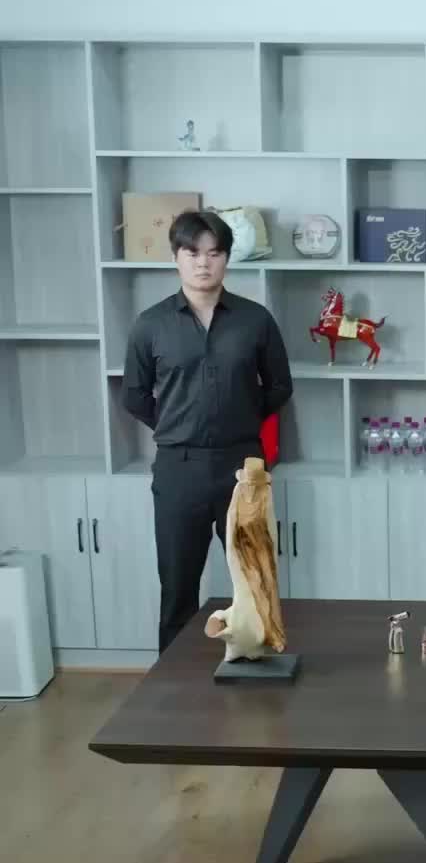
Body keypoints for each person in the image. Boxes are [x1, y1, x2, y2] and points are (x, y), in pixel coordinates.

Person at [121, 209, 293, 653]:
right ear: (176, 258)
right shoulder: (150, 324)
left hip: (243, 465)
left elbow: (280, 386)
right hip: (179, 469)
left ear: (226, 260)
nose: (203, 263)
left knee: (256, 583)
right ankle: (172, 683)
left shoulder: (255, 320)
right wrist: (178, 425)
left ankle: (255, 666)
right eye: (192, 252)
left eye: (214, 253)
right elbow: (134, 396)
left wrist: (240, 418)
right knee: (178, 587)